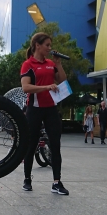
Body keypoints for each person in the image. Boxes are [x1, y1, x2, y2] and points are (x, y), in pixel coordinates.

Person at [20, 32, 69, 195]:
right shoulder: (28, 64)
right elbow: (25, 87)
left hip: (51, 109)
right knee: (31, 144)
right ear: (37, 46)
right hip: (34, 109)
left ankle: (57, 182)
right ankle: (27, 179)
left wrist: (59, 65)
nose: (50, 48)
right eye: (47, 45)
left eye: (50, 45)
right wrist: (47, 87)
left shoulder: (50, 63)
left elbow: (62, 81)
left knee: (55, 145)